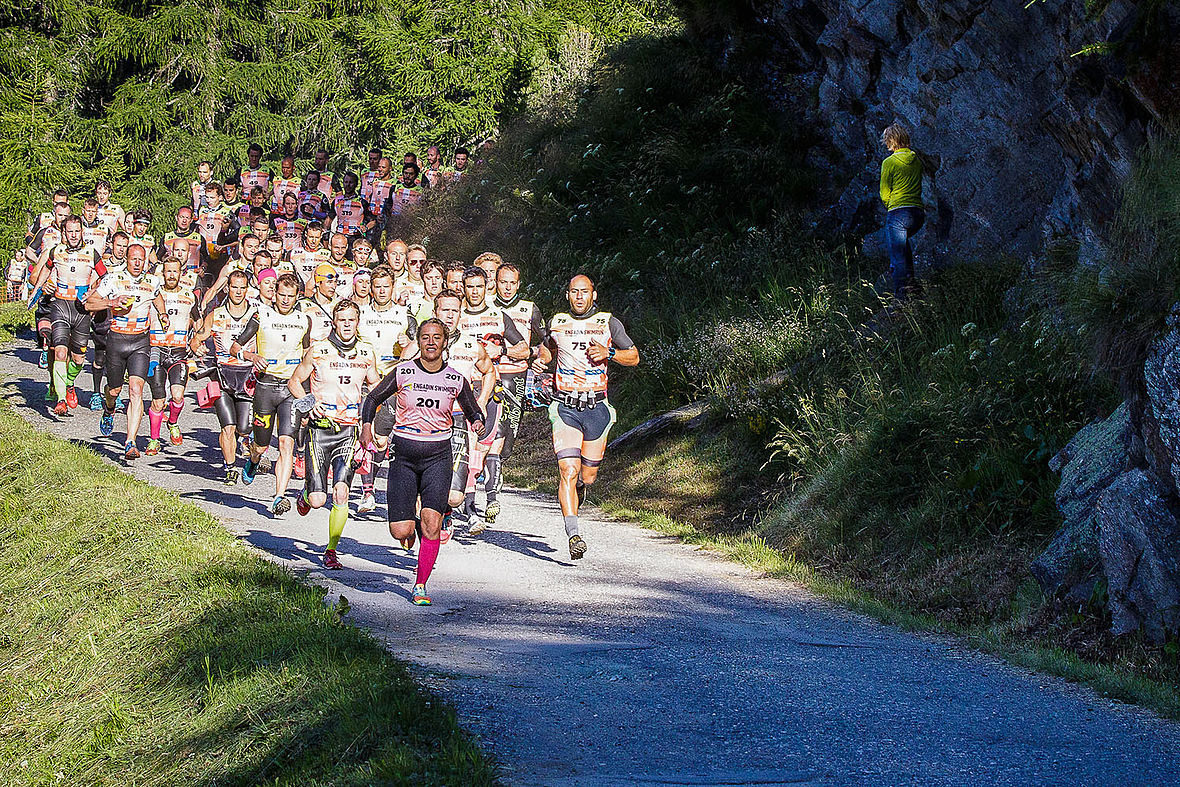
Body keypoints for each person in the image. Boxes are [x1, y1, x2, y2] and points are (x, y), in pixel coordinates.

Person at [360, 318, 485, 605]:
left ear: (445, 342)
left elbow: (473, 410)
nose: (431, 342)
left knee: (432, 525)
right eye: (425, 337)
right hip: (404, 456)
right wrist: (367, 427)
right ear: (418, 342)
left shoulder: (455, 379)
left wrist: (477, 422)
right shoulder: (403, 372)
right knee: (400, 531)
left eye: (437, 337)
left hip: (438, 457)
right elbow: (372, 398)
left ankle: (420, 584)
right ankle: (414, 525)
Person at [533, 274, 639, 559]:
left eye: (584, 292)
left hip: (597, 408)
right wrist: (542, 361)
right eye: (574, 292)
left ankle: (581, 486)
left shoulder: (608, 322)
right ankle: (573, 534)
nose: (579, 297)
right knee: (567, 470)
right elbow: (548, 349)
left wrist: (610, 352)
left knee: (587, 476)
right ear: (567, 295)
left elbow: (634, 356)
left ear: (594, 294)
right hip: (565, 407)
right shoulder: (557, 322)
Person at [287, 299, 380, 570]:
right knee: (318, 500)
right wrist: (308, 403)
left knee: (341, 492)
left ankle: (331, 550)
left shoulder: (366, 351)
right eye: (342, 320)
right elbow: (295, 382)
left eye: (352, 320)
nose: (347, 325)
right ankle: (305, 495)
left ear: (358, 322)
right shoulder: (318, 350)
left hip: (349, 429)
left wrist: (372, 421)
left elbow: (375, 385)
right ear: (334, 322)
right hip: (320, 430)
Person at [401, 290, 496, 541]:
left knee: (455, 496)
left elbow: (489, 372)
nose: (450, 315)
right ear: (435, 313)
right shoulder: (419, 345)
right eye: (445, 310)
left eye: (455, 310)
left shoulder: (471, 346)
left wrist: (481, 402)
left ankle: (444, 510)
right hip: (421, 422)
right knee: (424, 485)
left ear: (460, 313)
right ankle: (425, 535)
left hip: (455, 420)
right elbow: (400, 376)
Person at [232, 273, 312, 516]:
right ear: (274, 294)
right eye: (282, 295)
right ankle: (254, 461)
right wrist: (252, 357)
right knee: (261, 445)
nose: (286, 300)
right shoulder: (261, 315)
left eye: (291, 296)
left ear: (297, 296)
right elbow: (236, 346)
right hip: (266, 388)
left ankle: (279, 496)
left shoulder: (304, 319)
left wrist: (309, 386)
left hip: (290, 389)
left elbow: (308, 352)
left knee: (286, 443)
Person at [83, 244, 169, 460]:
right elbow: (89, 304)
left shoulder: (153, 280)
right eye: (134, 259)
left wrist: (163, 313)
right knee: (114, 390)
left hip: (140, 341)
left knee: (136, 389)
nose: (138, 264)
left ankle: (130, 441)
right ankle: (109, 409)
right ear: (127, 260)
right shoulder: (113, 278)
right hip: (117, 339)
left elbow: (157, 296)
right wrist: (112, 301)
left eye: (142, 260)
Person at [28, 215, 105, 415]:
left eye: (76, 231)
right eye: (69, 231)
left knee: (78, 360)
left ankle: (69, 383)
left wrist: (94, 293)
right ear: (64, 233)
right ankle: (61, 399)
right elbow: (45, 270)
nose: (73, 235)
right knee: (60, 352)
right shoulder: (57, 251)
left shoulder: (91, 253)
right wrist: (37, 290)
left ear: (82, 232)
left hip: (81, 310)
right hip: (60, 306)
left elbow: (105, 278)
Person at [189, 270, 258, 484]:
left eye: (242, 287)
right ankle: (230, 468)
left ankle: (243, 442)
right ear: (227, 288)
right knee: (227, 426)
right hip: (223, 375)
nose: (238, 291)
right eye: (234, 287)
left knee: (244, 427)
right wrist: (196, 348)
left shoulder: (256, 314)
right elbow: (197, 338)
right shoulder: (216, 315)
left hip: (248, 375)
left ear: (247, 290)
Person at [491, 261, 545, 513]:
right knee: (491, 425)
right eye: (503, 282)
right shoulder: (487, 307)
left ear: (519, 284)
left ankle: (498, 461)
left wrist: (539, 359)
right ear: (496, 282)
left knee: (510, 431)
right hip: (491, 372)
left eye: (513, 283)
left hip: (518, 373)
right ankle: (490, 470)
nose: (508, 287)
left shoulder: (529, 308)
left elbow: (548, 342)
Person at [356, 265, 411, 513]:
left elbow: (419, 345)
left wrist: (408, 342)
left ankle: (374, 481)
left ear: (393, 287)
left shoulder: (404, 314)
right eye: (376, 286)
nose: (380, 291)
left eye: (385, 286)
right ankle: (367, 492)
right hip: (366, 379)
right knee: (367, 435)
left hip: (393, 380)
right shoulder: (361, 313)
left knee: (381, 440)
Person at [145, 257, 198, 455]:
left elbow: (198, 322)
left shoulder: (189, 295)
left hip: (178, 352)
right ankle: (154, 440)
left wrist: (196, 340)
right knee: (158, 401)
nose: (171, 276)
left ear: (181, 272)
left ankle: (173, 422)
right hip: (157, 350)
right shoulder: (153, 295)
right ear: (162, 273)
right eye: (168, 272)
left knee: (177, 396)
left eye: (175, 271)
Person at [879, 122, 925, 297]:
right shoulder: (917, 161)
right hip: (918, 214)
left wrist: (891, 205)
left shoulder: (889, 162)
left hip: (898, 213)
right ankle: (913, 290)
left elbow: (884, 193)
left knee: (898, 258)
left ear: (891, 140)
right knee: (904, 252)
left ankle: (902, 298)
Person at [88, 231, 130, 410]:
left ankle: (115, 393)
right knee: (100, 357)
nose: (121, 249)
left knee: (119, 360)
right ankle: (96, 393)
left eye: (124, 246)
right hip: (103, 315)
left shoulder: (130, 266)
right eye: (118, 245)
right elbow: (92, 287)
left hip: (121, 317)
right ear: (111, 245)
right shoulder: (103, 265)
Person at [329, 171, 374, 240]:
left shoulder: (362, 202)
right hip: (340, 237)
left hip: (355, 237)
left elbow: (373, 221)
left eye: (351, 182)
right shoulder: (336, 201)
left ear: (356, 184)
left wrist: (366, 227)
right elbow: (329, 219)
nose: (348, 185)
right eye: (346, 182)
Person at [290, 221, 331, 287]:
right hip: (300, 290)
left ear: (321, 236)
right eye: (311, 237)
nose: (314, 241)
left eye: (317, 237)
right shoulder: (293, 253)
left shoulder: (328, 255)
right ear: (306, 234)